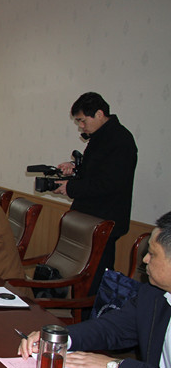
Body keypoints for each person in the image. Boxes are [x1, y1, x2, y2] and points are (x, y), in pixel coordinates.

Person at [18, 211, 171, 368]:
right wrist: (59, 339)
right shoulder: (153, 294)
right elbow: (113, 328)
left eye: (153, 254)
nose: (145, 260)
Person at [53, 92, 138, 295]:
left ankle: (89, 313)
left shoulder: (120, 140)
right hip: (89, 219)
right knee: (82, 275)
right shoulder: (100, 137)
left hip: (104, 221)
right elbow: (95, 171)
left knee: (95, 279)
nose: (81, 126)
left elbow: (110, 183)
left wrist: (70, 188)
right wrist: (75, 168)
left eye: (82, 121)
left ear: (99, 114)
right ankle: (80, 309)